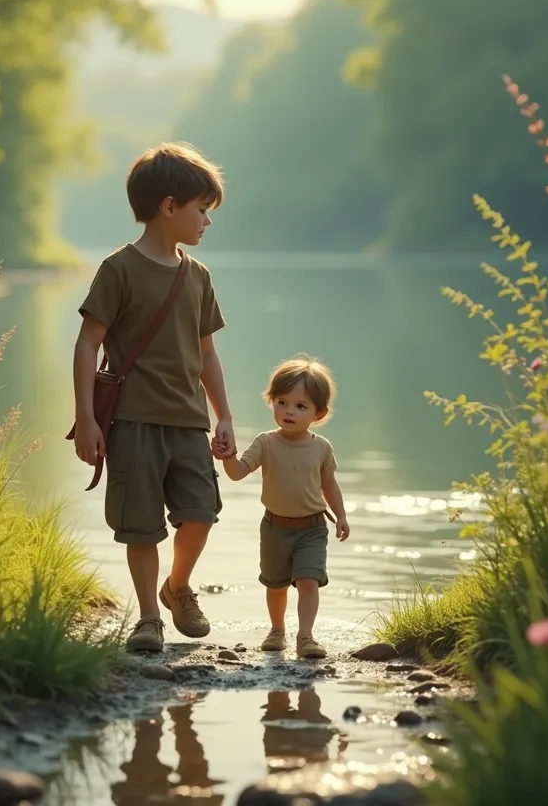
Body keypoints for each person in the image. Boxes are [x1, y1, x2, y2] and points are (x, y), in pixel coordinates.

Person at [72, 142, 234, 653]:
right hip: (134, 422)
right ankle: (148, 618)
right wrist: (86, 418)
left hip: (189, 422)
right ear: (169, 207)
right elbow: (87, 343)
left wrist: (224, 414)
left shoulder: (199, 277)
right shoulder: (118, 269)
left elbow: (207, 353)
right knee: (140, 526)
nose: (207, 220)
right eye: (201, 209)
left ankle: (177, 586)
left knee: (201, 512)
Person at [213, 358, 349, 659]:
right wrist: (226, 455)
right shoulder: (265, 442)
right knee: (275, 585)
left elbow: (329, 485)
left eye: (301, 406)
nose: (289, 411)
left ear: (319, 413)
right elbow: (237, 472)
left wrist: (340, 516)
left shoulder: (321, 448)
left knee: (308, 581)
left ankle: (306, 636)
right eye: (282, 402)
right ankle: (277, 630)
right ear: (271, 401)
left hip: (312, 528)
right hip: (274, 527)